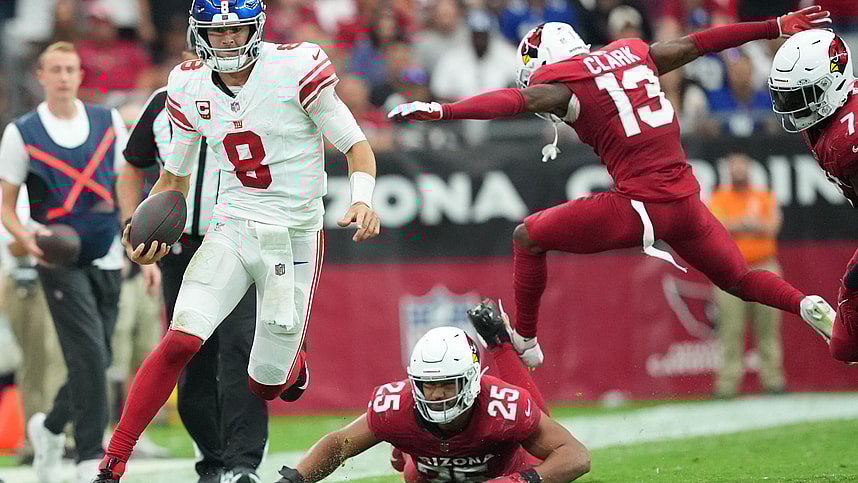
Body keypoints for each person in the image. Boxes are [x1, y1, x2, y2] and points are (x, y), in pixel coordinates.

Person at [389, 8, 836, 370]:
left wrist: (445, 111)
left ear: (547, 63)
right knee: (740, 278)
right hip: (686, 202)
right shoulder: (633, 53)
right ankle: (804, 303)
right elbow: (698, 43)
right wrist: (772, 26)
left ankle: (526, 340)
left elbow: (516, 101)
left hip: (642, 205)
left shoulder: (565, 85)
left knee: (528, 236)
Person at [94, 0, 380, 480]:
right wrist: (137, 232)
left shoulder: (295, 68)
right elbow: (173, 179)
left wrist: (363, 199)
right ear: (198, 32)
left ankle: (291, 367)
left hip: (293, 236)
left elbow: (357, 146)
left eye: (236, 31)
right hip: (233, 224)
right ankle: (114, 460)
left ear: (257, 28)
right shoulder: (186, 85)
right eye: (216, 32)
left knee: (264, 385)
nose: (227, 41)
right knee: (181, 340)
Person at [115, 55, 270, 483]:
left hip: (238, 240)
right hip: (179, 248)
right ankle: (212, 458)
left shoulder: (256, 97)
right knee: (189, 354)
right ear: (188, 57)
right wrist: (130, 226)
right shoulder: (163, 102)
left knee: (241, 349)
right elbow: (132, 163)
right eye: (201, 54)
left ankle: (243, 464)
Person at [274, 303, 591, 483]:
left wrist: (521, 482)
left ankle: (500, 345)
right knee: (405, 462)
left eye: (446, 383)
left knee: (533, 427)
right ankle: (405, 449)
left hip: (501, 474)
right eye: (428, 384)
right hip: (426, 476)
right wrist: (294, 480)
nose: (437, 393)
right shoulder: (395, 406)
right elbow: (339, 445)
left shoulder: (501, 406)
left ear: (469, 381)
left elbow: (577, 455)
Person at [0, 41, 128, 483]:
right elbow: (6, 203)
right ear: (40, 75)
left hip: (109, 251)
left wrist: (141, 251)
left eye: (70, 68)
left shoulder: (108, 121)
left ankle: (50, 428)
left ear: (80, 74)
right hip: (56, 258)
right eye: (54, 69)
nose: (64, 76)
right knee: (90, 353)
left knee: (101, 353)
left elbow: (127, 185)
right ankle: (89, 455)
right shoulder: (22, 132)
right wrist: (26, 239)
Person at [768, 29, 858, 363]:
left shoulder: (847, 139)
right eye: (788, 97)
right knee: (844, 349)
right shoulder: (827, 124)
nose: (793, 108)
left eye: (802, 96)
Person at [709, 153, 785, 398]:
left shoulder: (764, 196)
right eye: (734, 166)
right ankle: (728, 384)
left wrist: (737, 225)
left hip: (765, 266)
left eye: (742, 166)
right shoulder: (719, 197)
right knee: (730, 329)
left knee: (768, 327)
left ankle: (772, 380)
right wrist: (749, 224)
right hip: (730, 270)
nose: (738, 171)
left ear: (750, 169)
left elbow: (772, 226)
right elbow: (717, 226)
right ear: (728, 170)